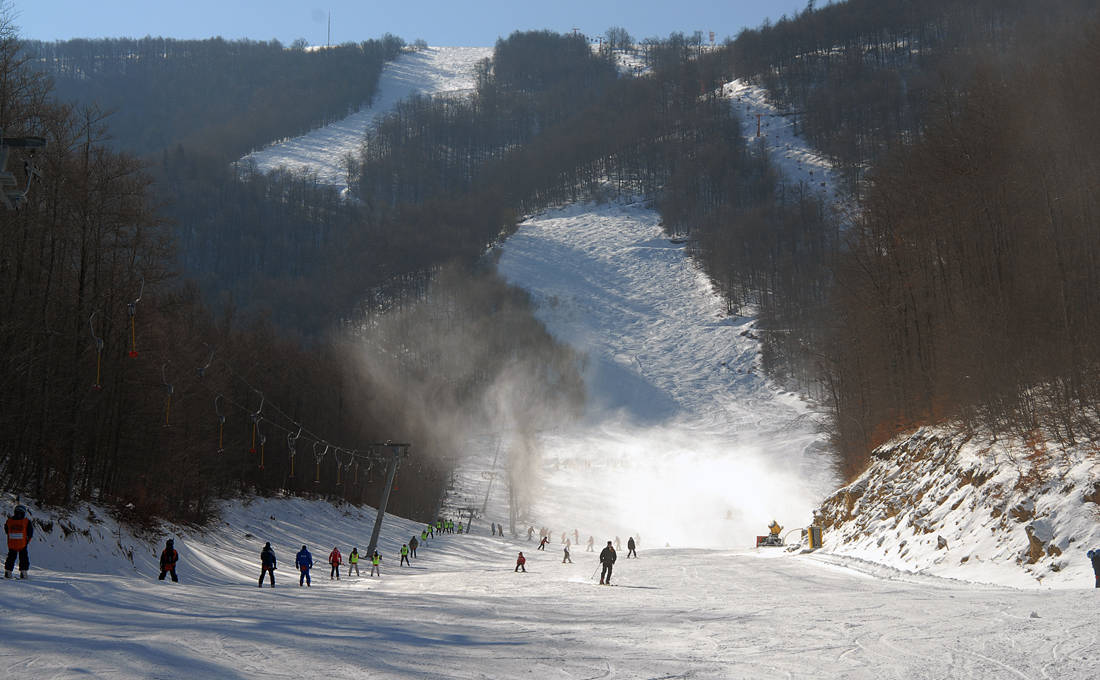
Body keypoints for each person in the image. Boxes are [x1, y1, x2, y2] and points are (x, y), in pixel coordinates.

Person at [4, 504, 33, 579]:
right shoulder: (26, 521)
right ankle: (23, 573)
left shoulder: (9, 521)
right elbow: (30, 533)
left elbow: (6, 530)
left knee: (11, 557)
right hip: (22, 543)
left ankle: (8, 572)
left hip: (12, 543)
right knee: (23, 558)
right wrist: (27, 541)